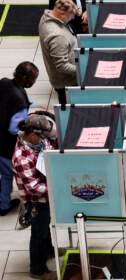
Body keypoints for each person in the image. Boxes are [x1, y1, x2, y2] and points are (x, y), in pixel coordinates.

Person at [12, 114, 57, 280]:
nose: (43, 139)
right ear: (30, 134)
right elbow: (34, 188)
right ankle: (37, 270)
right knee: (38, 234)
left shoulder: (39, 142)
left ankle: (50, 251)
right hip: (37, 202)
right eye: (40, 135)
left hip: (47, 195)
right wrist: (56, 188)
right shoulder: (21, 158)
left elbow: (49, 147)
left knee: (45, 227)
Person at [0, 61, 39, 216]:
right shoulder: (19, 102)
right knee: (7, 174)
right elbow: (14, 129)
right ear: (24, 77)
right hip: (4, 144)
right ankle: (4, 205)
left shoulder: (4, 82)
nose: (33, 82)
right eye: (32, 79)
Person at [39, 0, 80, 105]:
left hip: (61, 78)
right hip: (67, 82)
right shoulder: (58, 36)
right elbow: (62, 65)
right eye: (71, 16)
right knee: (70, 110)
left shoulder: (46, 17)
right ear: (62, 14)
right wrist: (82, 70)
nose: (72, 19)